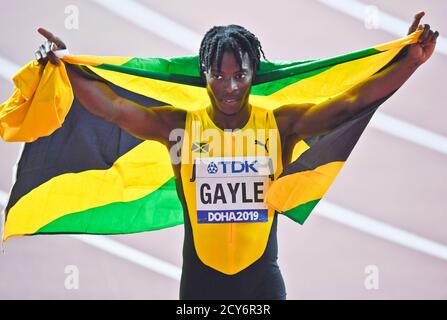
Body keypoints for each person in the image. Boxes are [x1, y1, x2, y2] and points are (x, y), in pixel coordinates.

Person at [35, 12, 438, 299]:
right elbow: (111, 108)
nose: (229, 86)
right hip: (200, 286)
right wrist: (62, 67)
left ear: (253, 74)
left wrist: (410, 63)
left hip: (262, 283)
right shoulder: (179, 126)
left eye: (240, 75)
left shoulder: (280, 125)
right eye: (219, 75)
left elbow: (351, 100)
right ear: (204, 74)